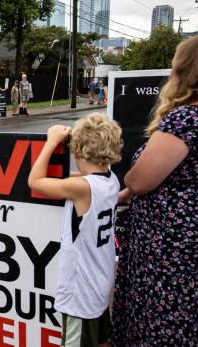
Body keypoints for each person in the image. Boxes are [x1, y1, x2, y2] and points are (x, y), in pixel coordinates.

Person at [111, 35, 198, 346]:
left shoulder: (187, 120)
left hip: (173, 248)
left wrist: (128, 188)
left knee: (163, 322)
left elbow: (140, 180)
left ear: (182, 70)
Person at [29, 114, 123, 347]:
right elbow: (71, 178)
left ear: (77, 153)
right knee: (101, 340)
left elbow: (35, 180)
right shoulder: (111, 180)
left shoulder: (81, 187)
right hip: (99, 282)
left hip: (80, 292)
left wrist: (51, 141)